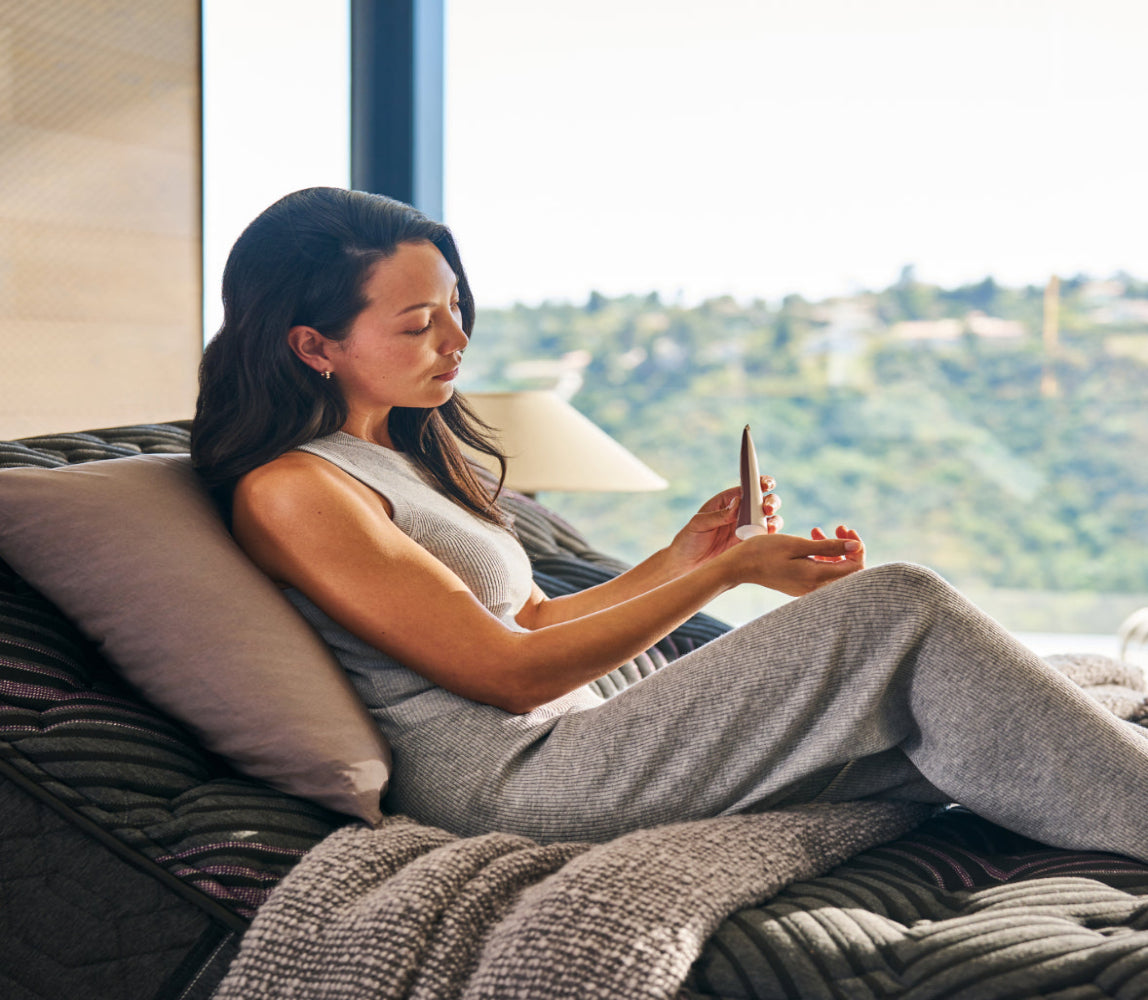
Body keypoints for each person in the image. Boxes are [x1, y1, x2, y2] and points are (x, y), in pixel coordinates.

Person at [192, 187, 1148, 859]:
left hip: (582, 738)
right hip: (517, 783)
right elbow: (508, 676)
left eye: (453, 307)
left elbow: (525, 622)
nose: (457, 338)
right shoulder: (293, 491)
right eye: (416, 324)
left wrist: (682, 557)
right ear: (313, 344)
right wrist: (721, 579)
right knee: (899, 609)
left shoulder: (402, 458)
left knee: (945, 713)